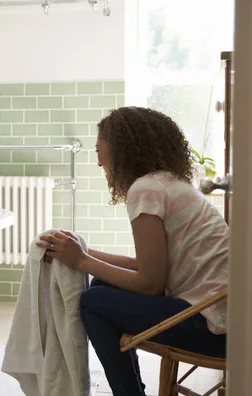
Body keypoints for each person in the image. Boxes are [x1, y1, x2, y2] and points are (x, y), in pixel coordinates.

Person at [36, 107, 229, 395]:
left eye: (99, 149)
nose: (99, 161)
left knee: (92, 301)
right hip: (227, 319)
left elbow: (150, 284)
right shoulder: (168, 183)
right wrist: (81, 252)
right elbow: (147, 266)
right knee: (102, 284)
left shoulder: (145, 189)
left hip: (213, 328)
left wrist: (82, 259)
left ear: (120, 149)